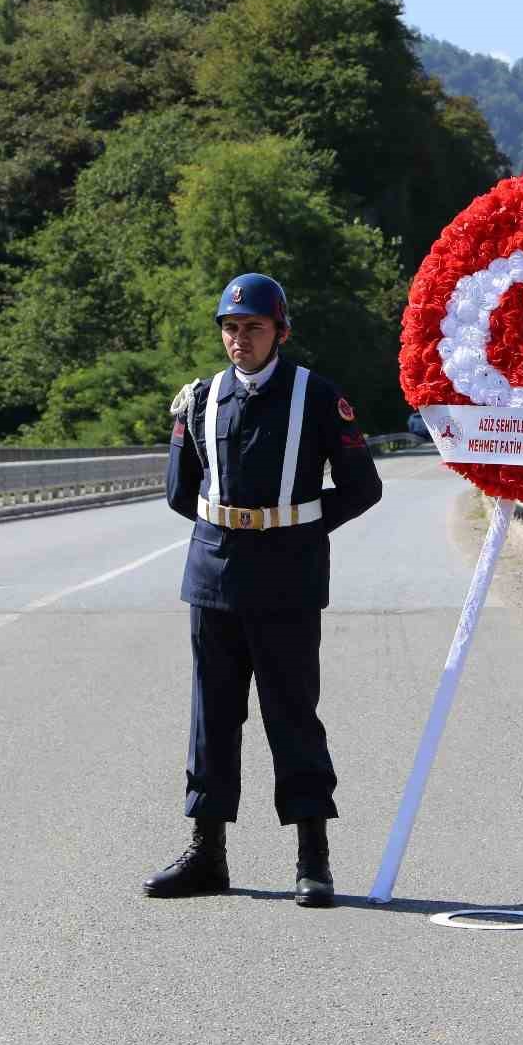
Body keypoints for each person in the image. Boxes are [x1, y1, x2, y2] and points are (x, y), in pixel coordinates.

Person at [146, 273, 383, 908]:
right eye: (230, 328)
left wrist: (297, 527)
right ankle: (208, 853)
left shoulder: (318, 396)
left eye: (252, 328)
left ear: (280, 331)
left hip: (287, 581)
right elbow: (179, 492)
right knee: (212, 718)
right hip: (214, 577)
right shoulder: (199, 400)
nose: (238, 340)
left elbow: (363, 488)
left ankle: (313, 857)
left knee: (292, 715)